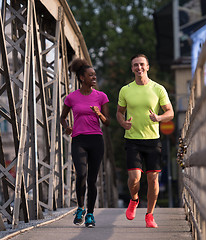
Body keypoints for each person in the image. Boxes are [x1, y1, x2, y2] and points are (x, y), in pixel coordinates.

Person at [116, 54, 174, 228]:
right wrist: (123, 123)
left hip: (153, 140)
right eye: (135, 65)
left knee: (153, 180)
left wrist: (159, 117)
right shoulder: (125, 90)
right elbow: (119, 112)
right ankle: (134, 200)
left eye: (142, 64)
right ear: (132, 68)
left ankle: (149, 215)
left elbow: (170, 112)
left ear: (148, 67)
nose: (139, 68)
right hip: (132, 139)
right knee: (134, 179)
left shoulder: (158, 89)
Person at [60, 58, 110, 228]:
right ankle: (80, 208)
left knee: (92, 179)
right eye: (91, 75)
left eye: (95, 75)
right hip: (79, 139)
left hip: (96, 139)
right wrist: (67, 127)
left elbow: (108, 122)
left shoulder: (101, 96)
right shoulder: (71, 98)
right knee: (81, 174)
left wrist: (99, 114)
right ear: (82, 78)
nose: (94, 78)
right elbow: (62, 117)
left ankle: (90, 214)